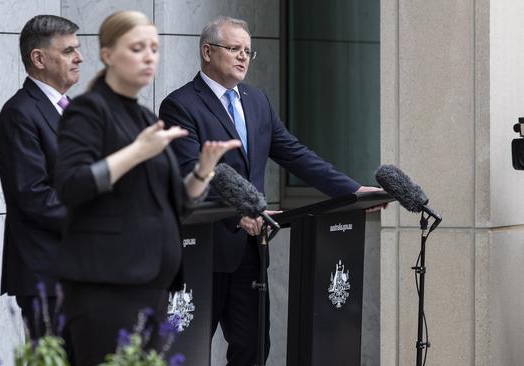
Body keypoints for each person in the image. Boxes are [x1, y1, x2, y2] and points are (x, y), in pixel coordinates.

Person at [158, 16, 382, 366]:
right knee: (186, 351)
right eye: (234, 49)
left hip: (251, 251)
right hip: (202, 250)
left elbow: (294, 153)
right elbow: (194, 173)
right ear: (207, 51)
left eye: (248, 51)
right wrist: (239, 215)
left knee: (252, 348)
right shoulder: (180, 105)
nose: (243, 57)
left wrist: (351, 191)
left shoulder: (256, 101)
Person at [53, 11, 240, 365]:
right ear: (108, 54)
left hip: (152, 283)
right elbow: (72, 185)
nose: (149, 57)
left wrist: (203, 170)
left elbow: (175, 206)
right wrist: (138, 152)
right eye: (137, 48)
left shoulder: (144, 117)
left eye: (154, 48)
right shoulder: (88, 111)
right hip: (106, 287)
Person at [0, 14, 82, 360]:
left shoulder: (72, 109)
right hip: (47, 273)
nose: (79, 57)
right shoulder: (20, 113)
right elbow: (34, 195)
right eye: (69, 50)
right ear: (39, 58)